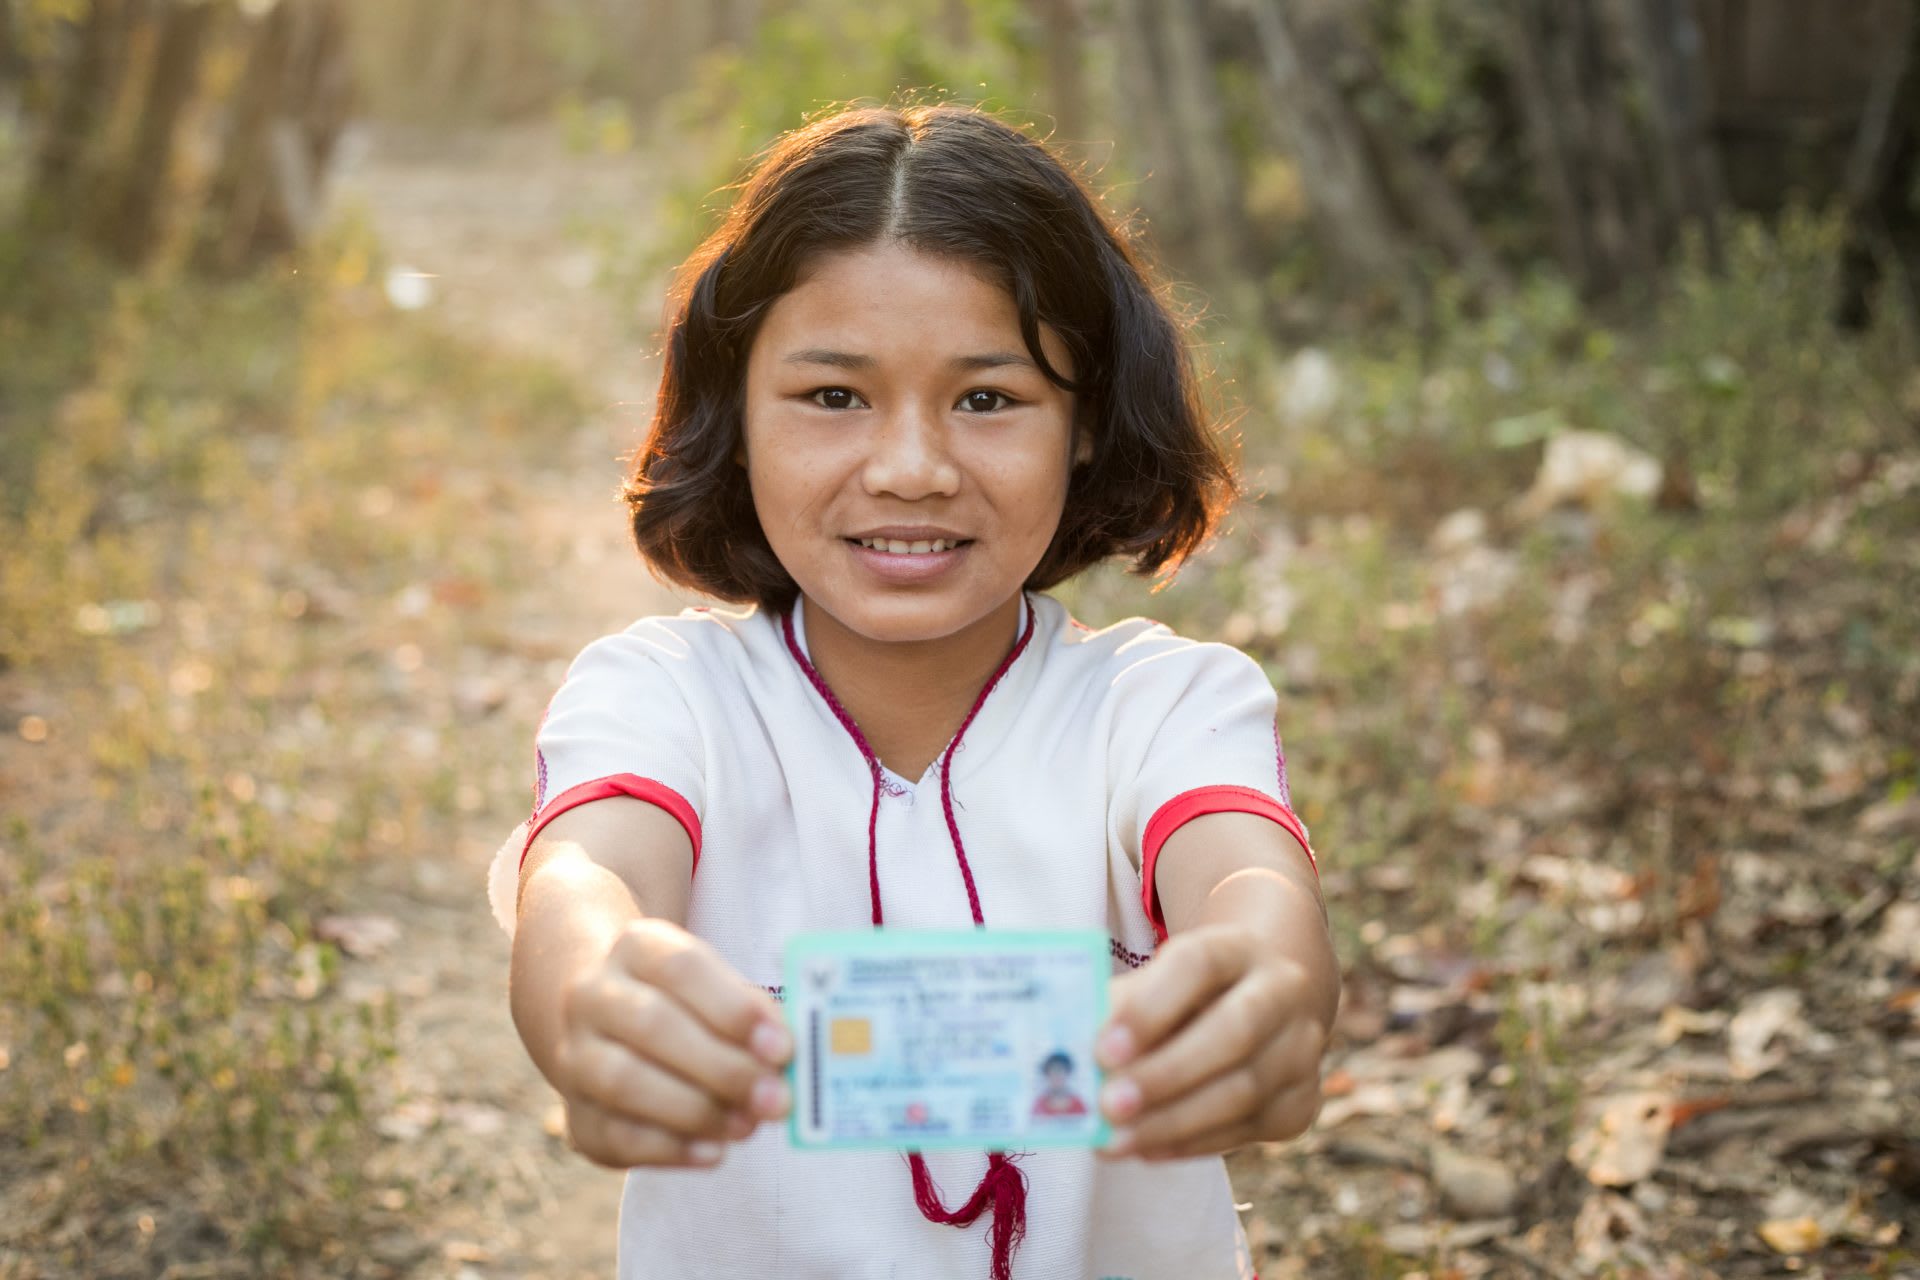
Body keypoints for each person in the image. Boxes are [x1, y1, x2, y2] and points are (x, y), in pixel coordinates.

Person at [491, 102, 1338, 1280]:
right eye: (834, 396)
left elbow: (1248, 877)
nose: (910, 469)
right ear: (735, 415)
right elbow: (584, 876)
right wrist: (590, 985)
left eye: (988, 399)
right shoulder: (663, 695)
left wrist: (1271, 976)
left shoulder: (1165, 707)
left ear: (1086, 424)